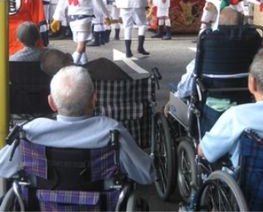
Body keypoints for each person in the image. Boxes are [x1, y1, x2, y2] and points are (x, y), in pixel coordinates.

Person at [0, 65, 154, 185]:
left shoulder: (30, 132)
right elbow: (146, 174)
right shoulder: (110, 131)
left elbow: (3, 167)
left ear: (51, 103)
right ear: (94, 100)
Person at [51, 0, 111, 65]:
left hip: (71, 18)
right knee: (81, 46)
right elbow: (98, 2)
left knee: (80, 43)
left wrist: (57, 18)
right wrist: (106, 15)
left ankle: (84, 64)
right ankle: (68, 66)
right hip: (84, 18)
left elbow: (62, 1)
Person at [175, 7, 244, 99]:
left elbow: (190, 79)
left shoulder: (209, 44)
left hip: (209, 96)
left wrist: (176, 96)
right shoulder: (252, 42)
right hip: (243, 95)